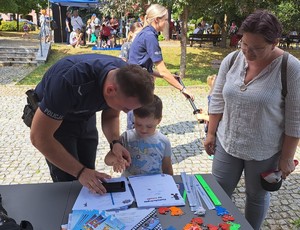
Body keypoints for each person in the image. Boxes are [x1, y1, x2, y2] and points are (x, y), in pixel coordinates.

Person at [204, 10, 300, 230]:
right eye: (244, 44)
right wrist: (211, 132)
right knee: (218, 193)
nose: (247, 52)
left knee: (256, 197)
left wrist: (286, 158)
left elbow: (295, 119)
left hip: (264, 150)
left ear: (274, 42)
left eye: (256, 48)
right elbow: (217, 98)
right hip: (228, 142)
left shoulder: (290, 68)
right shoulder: (232, 59)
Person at [30, 54, 154, 194]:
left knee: (89, 170)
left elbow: (111, 116)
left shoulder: (124, 76)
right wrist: (80, 172)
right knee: (70, 181)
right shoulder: (68, 81)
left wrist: (115, 143)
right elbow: (39, 138)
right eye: (126, 108)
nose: (127, 113)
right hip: (56, 120)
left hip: (84, 113)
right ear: (110, 90)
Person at [127, 3, 195, 129]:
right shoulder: (149, 37)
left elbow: (145, 68)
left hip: (135, 82)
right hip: (137, 86)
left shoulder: (146, 33)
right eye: (165, 20)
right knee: (136, 124)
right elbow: (162, 70)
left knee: (137, 123)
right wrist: (182, 89)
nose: (167, 23)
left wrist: (170, 77)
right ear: (157, 20)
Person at [104, 95, 173, 176]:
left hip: (154, 184)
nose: (143, 130)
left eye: (149, 126)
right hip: (130, 182)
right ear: (134, 117)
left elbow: (167, 167)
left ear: (159, 120)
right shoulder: (126, 137)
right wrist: (116, 160)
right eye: (138, 124)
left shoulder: (164, 141)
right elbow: (107, 160)